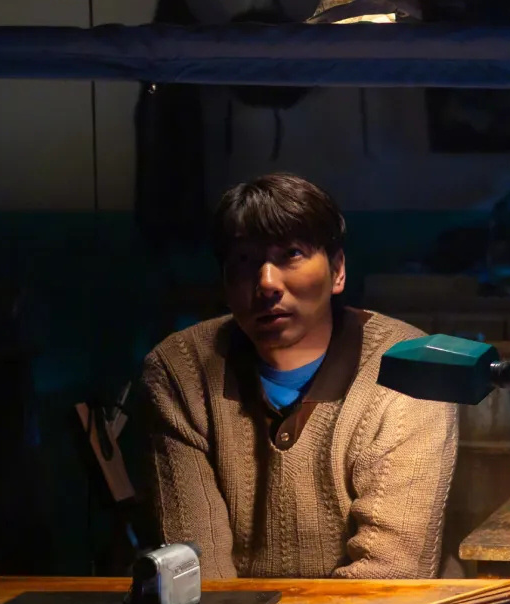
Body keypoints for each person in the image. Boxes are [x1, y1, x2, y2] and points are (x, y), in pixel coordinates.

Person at [137, 173, 458, 579]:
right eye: (244, 261)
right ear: (224, 282)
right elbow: (199, 574)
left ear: (337, 271)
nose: (267, 283)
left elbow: (392, 571)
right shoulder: (179, 370)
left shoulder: (410, 370)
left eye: (291, 254)